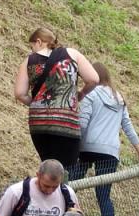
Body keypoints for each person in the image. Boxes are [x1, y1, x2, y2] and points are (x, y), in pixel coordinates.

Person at [72, 62, 139, 216]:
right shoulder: (119, 98)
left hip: (87, 148)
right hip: (110, 151)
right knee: (103, 194)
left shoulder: (91, 94)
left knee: (71, 184)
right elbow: (127, 126)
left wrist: (75, 144)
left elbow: (82, 123)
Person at [14, 27, 98, 166]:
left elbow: (19, 93)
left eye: (32, 46)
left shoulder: (28, 61)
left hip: (38, 123)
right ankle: (61, 187)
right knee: (66, 168)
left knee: (48, 165)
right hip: (66, 122)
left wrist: (37, 104)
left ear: (39, 42)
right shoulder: (72, 54)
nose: (32, 50)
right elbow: (94, 79)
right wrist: (81, 94)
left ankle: (49, 187)